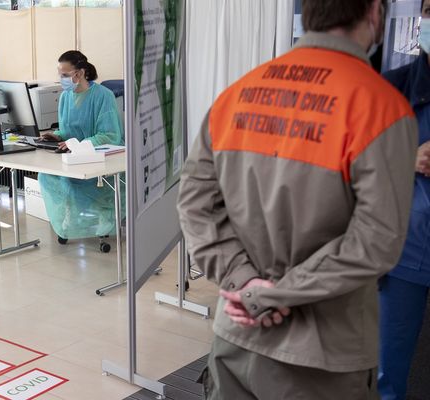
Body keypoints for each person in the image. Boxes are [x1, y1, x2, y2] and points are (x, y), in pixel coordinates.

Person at [177, 0, 418, 398]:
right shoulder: (381, 107)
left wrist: (244, 282)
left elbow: (194, 202)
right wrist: (272, 295)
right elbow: (375, 243)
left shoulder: (239, 93)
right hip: (322, 355)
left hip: (235, 335)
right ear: (375, 11)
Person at [378, 1, 430, 398]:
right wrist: (406, 157)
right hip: (402, 253)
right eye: (428, 10)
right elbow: (357, 160)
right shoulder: (392, 87)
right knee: (386, 373)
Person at [38, 50, 124, 241]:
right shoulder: (65, 97)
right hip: (71, 155)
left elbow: (110, 135)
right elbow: (67, 130)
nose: (61, 79)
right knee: (45, 175)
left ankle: (105, 214)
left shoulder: (103, 96)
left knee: (72, 183)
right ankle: (68, 220)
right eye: (60, 74)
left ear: (80, 73)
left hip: (99, 156)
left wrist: (78, 145)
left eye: (65, 75)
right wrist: (56, 136)